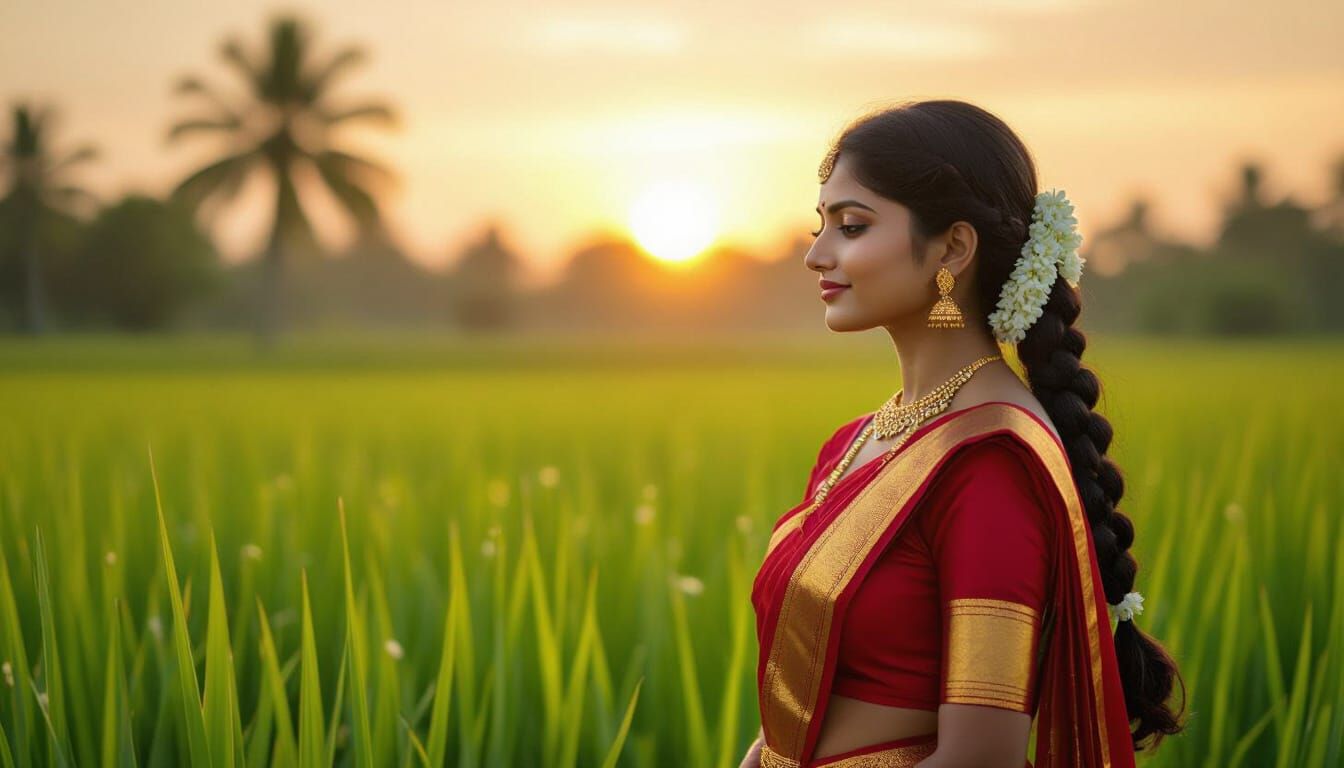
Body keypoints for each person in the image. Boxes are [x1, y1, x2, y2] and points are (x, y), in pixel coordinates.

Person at [741, 100, 1185, 768]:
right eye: (821, 224)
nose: (816, 254)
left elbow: (980, 758)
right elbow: (791, 720)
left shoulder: (992, 466)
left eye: (852, 226)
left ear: (952, 247)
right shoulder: (854, 442)